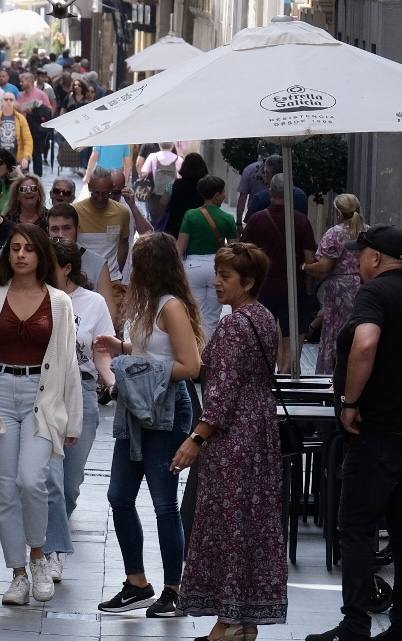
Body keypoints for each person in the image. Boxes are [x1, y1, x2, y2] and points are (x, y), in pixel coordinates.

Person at [172, 243, 287, 641]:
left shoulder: (236, 325)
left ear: (248, 282)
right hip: (260, 430)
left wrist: (196, 438)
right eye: (217, 274)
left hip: (235, 435)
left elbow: (221, 393)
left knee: (230, 525)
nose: (217, 282)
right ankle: (244, 620)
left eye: (226, 277)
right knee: (251, 524)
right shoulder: (264, 317)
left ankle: (228, 622)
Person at [0, 224, 83, 605]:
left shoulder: (59, 302)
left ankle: (38, 556)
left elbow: (67, 363)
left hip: (41, 396)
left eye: (28, 249)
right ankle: (16, 573)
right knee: (6, 488)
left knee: (33, 480)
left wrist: (74, 420)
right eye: (14, 248)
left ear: (41, 255)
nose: (20, 255)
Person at [94, 232, 203, 618]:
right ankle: (137, 582)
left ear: (152, 268)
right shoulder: (144, 305)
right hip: (136, 410)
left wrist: (135, 366)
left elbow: (191, 367)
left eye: (137, 265)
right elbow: (148, 353)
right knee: (118, 496)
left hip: (169, 411)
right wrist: (121, 348)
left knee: (163, 503)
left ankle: (174, 589)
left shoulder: (170, 307)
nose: (131, 272)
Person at [306, 224, 402, 641]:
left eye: (360, 255)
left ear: (376, 258)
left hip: (377, 430)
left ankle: (355, 623)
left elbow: (365, 343)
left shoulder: (376, 293)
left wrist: (349, 402)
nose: (357, 262)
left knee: (357, 526)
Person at [43, 241, 116, 583]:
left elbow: (103, 348)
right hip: (44, 390)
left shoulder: (94, 302)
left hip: (83, 390)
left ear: (67, 268)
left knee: (71, 483)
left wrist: (112, 382)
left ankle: (50, 538)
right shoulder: (36, 296)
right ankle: (51, 550)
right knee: (50, 478)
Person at [241, 174, 317, 374]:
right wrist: (309, 286)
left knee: (266, 330)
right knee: (292, 332)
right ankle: (287, 371)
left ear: (270, 192)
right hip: (295, 286)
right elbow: (310, 258)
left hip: (262, 287)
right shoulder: (301, 221)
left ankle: (271, 372)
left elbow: (244, 254)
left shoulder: (257, 220)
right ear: (290, 193)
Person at [303, 193, 368, 375]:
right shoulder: (368, 232)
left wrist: (305, 267)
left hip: (339, 289)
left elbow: (324, 267)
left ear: (338, 213)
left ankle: (332, 375)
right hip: (363, 286)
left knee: (334, 333)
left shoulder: (334, 233)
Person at [177, 175, 238, 339]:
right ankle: (208, 355)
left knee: (193, 314)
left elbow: (180, 247)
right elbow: (234, 250)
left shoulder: (190, 215)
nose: (224, 195)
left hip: (192, 267)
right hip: (217, 269)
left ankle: (193, 352)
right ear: (217, 194)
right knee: (211, 318)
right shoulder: (228, 218)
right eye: (223, 192)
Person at [46, 204, 114, 313]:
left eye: (66, 228)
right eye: (54, 229)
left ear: (77, 230)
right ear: (48, 231)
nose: (61, 234)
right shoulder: (40, 261)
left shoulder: (97, 263)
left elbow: (110, 315)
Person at [73, 166, 131, 281]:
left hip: (112, 278)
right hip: (83, 279)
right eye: (96, 193)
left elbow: (124, 243)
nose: (100, 198)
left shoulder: (122, 212)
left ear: (112, 189)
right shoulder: (75, 211)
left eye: (105, 194)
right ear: (89, 188)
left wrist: (117, 271)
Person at [244, 154, 309, 223]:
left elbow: (249, 227)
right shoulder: (301, 196)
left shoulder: (260, 199)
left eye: (264, 172)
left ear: (267, 173)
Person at [0, 92, 33, 172]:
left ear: (14, 102)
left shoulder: (21, 119)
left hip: (15, 160)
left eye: (11, 100)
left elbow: (28, 140)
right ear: (2, 101)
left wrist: (26, 157)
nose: (8, 101)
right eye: (6, 99)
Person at [163, 152, 207, 237]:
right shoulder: (206, 185)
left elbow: (163, 202)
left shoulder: (173, 183)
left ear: (184, 166)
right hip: (200, 225)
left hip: (177, 226)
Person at [140, 142, 183, 226]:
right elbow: (182, 176)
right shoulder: (178, 159)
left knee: (155, 221)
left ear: (159, 145)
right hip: (172, 196)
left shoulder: (153, 156)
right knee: (170, 220)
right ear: (172, 145)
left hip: (154, 196)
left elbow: (143, 172)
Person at [235, 141, 272, 228]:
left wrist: (239, 223)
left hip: (254, 215)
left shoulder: (249, 169)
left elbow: (242, 199)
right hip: (278, 214)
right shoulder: (281, 167)